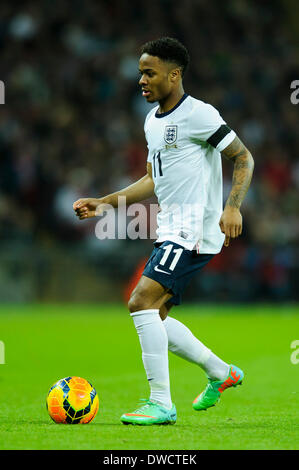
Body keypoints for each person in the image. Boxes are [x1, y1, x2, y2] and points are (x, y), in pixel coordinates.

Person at [73, 37, 254, 426]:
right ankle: (222, 372)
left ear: (174, 75)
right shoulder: (151, 122)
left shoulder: (199, 114)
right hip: (171, 228)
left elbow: (242, 156)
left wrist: (233, 206)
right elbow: (154, 180)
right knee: (155, 315)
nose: (142, 79)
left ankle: (160, 403)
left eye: (149, 72)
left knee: (140, 302)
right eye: (140, 72)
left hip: (192, 229)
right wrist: (103, 202)